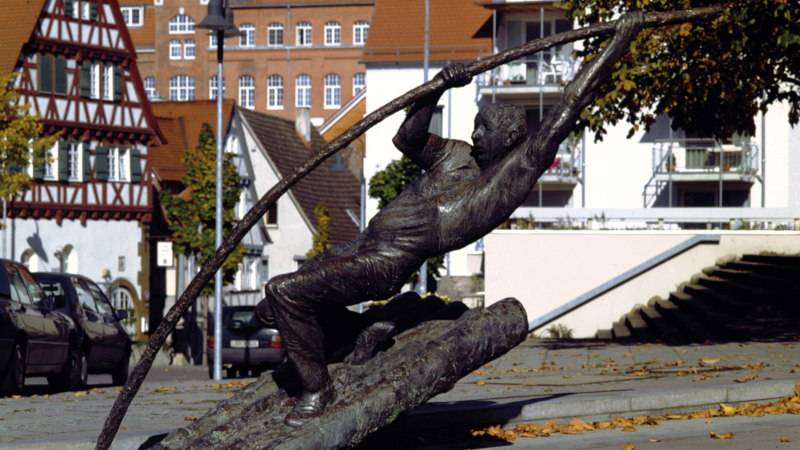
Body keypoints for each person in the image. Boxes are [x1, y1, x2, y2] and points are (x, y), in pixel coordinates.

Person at [257, 11, 645, 427]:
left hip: (385, 263)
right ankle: (357, 334)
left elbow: (569, 104)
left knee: (285, 292)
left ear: (511, 139)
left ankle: (318, 390)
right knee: (267, 309)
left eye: (485, 130)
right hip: (361, 244)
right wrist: (437, 89)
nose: (476, 135)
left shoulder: (509, 177)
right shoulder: (456, 155)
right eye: (476, 127)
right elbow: (407, 139)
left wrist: (621, 39)